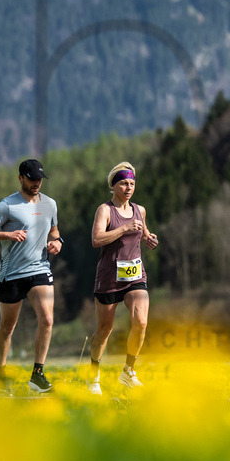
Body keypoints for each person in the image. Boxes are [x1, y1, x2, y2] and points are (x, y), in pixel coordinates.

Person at [0, 159, 63, 394]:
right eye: (32, 179)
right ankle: (1, 374)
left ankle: (37, 375)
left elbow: (55, 232)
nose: (36, 183)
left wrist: (57, 243)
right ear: (20, 178)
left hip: (39, 269)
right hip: (12, 273)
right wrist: (8, 234)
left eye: (39, 179)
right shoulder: (6, 206)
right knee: (7, 327)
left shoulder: (50, 204)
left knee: (47, 319)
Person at [87, 161, 158, 394]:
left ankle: (128, 370)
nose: (129, 188)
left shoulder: (140, 210)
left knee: (141, 322)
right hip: (109, 277)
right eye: (124, 184)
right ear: (113, 185)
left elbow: (143, 233)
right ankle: (93, 377)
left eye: (132, 184)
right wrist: (123, 229)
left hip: (135, 276)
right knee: (104, 330)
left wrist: (149, 239)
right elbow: (96, 240)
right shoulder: (105, 210)